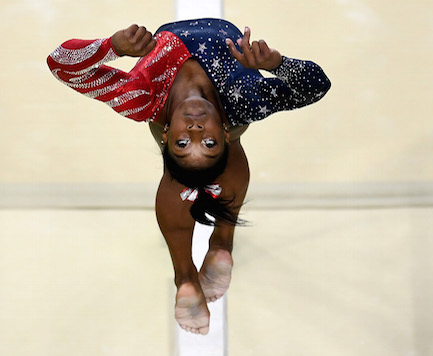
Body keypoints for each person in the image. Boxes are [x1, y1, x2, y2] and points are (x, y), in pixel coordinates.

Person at [47, 18, 331, 335]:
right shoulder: (245, 99)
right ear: (221, 132)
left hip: (164, 98)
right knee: (223, 151)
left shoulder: (141, 97)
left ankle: (185, 277)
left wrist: (111, 47)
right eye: (208, 143)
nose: (195, 132)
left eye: (183, 144)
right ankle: (222, 243)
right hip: (229, 104)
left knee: (186, 171)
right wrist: (276, 63)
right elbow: (317, 85)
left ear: (167, 135)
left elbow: (60, 64)